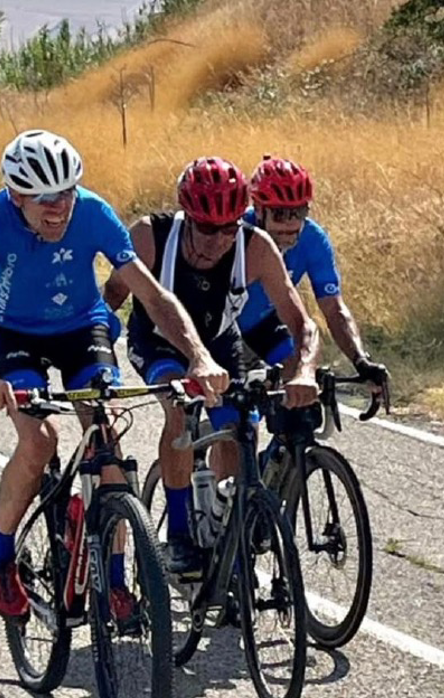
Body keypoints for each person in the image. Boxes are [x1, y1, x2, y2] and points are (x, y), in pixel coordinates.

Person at [0, 130, 228, 621]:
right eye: (43, 198)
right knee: (39, 440)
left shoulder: (94, 213)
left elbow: (153, 296)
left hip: (83, 327)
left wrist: (198, 356)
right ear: (16, 195)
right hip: (13, 334)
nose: (58, 207)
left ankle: (117, 581)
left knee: (106, 437)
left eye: (66, 193)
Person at [103, 156, 320, 574]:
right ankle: (179, 533)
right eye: (206, 227)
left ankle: (226, 523)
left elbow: (301, 323)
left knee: (239, 427)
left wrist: (304, 371)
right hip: (159, 343)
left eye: (228, 228)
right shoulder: (150, 236)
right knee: (181, 409)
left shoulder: (255, 247)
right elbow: (111, 297)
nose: (217, 239)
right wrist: (94, 355)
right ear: (187, 216)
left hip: (219, 342)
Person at [238, 155, 388, 393]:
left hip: (262, 324)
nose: (289, 224)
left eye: (298, 212)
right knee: (228, 405)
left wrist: (360, 361)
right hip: (220, 326)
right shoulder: (234, 235)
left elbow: (334, 309)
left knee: (300, 383)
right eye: (279, 214)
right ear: (257, 209)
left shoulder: (313, 239)